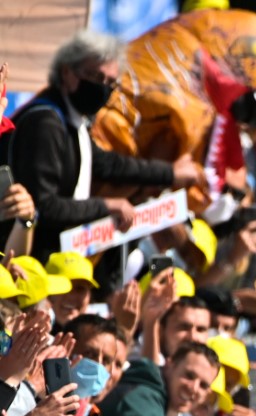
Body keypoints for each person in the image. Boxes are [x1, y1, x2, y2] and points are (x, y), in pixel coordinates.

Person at [5, 31, 201, 263]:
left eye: (110, 83)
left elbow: (107, 164)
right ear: (67, 73)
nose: (102, 88)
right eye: (95, 77)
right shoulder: (45, 123)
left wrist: (170, 173)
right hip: (16, 262)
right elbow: (44, 206)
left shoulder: (73, 121)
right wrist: (108, 205)